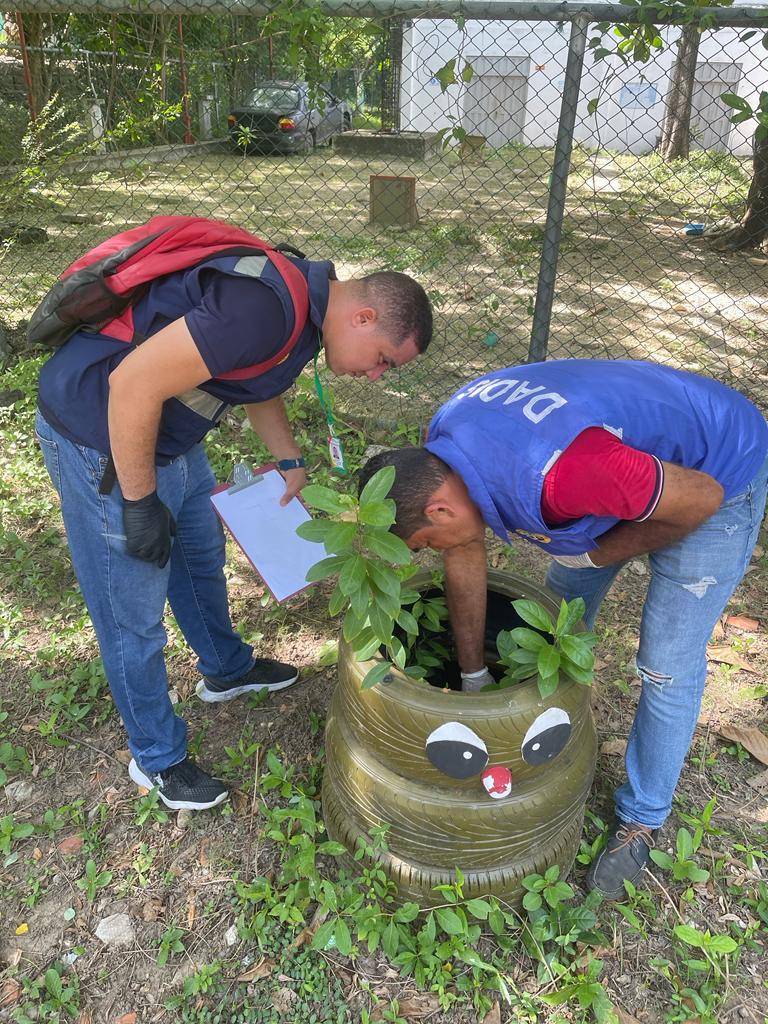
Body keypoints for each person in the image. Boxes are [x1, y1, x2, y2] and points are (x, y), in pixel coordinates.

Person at [35, 224, 433, 811]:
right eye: (382, 362)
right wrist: (141, 503)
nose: (375, 376)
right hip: (105, 436)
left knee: (199, 557)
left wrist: (288, 458)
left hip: (171, 436)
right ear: (365, 317)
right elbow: (132, 384)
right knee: (131, 610)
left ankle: (225, 668)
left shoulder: (307, 307)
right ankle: (156, 757)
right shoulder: (265, 307)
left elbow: (254, 377)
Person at [358, 359, 768, 900]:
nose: (431, 555)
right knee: (559, 616)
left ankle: (642, 818)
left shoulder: (564, 475)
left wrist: (599, 552)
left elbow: (701, 498)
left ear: (439, 506)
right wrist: (473, 673)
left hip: (716, 470)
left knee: (666, 665)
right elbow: (464, 548)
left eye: (424, 544)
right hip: (627, 463)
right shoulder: (443, 445)